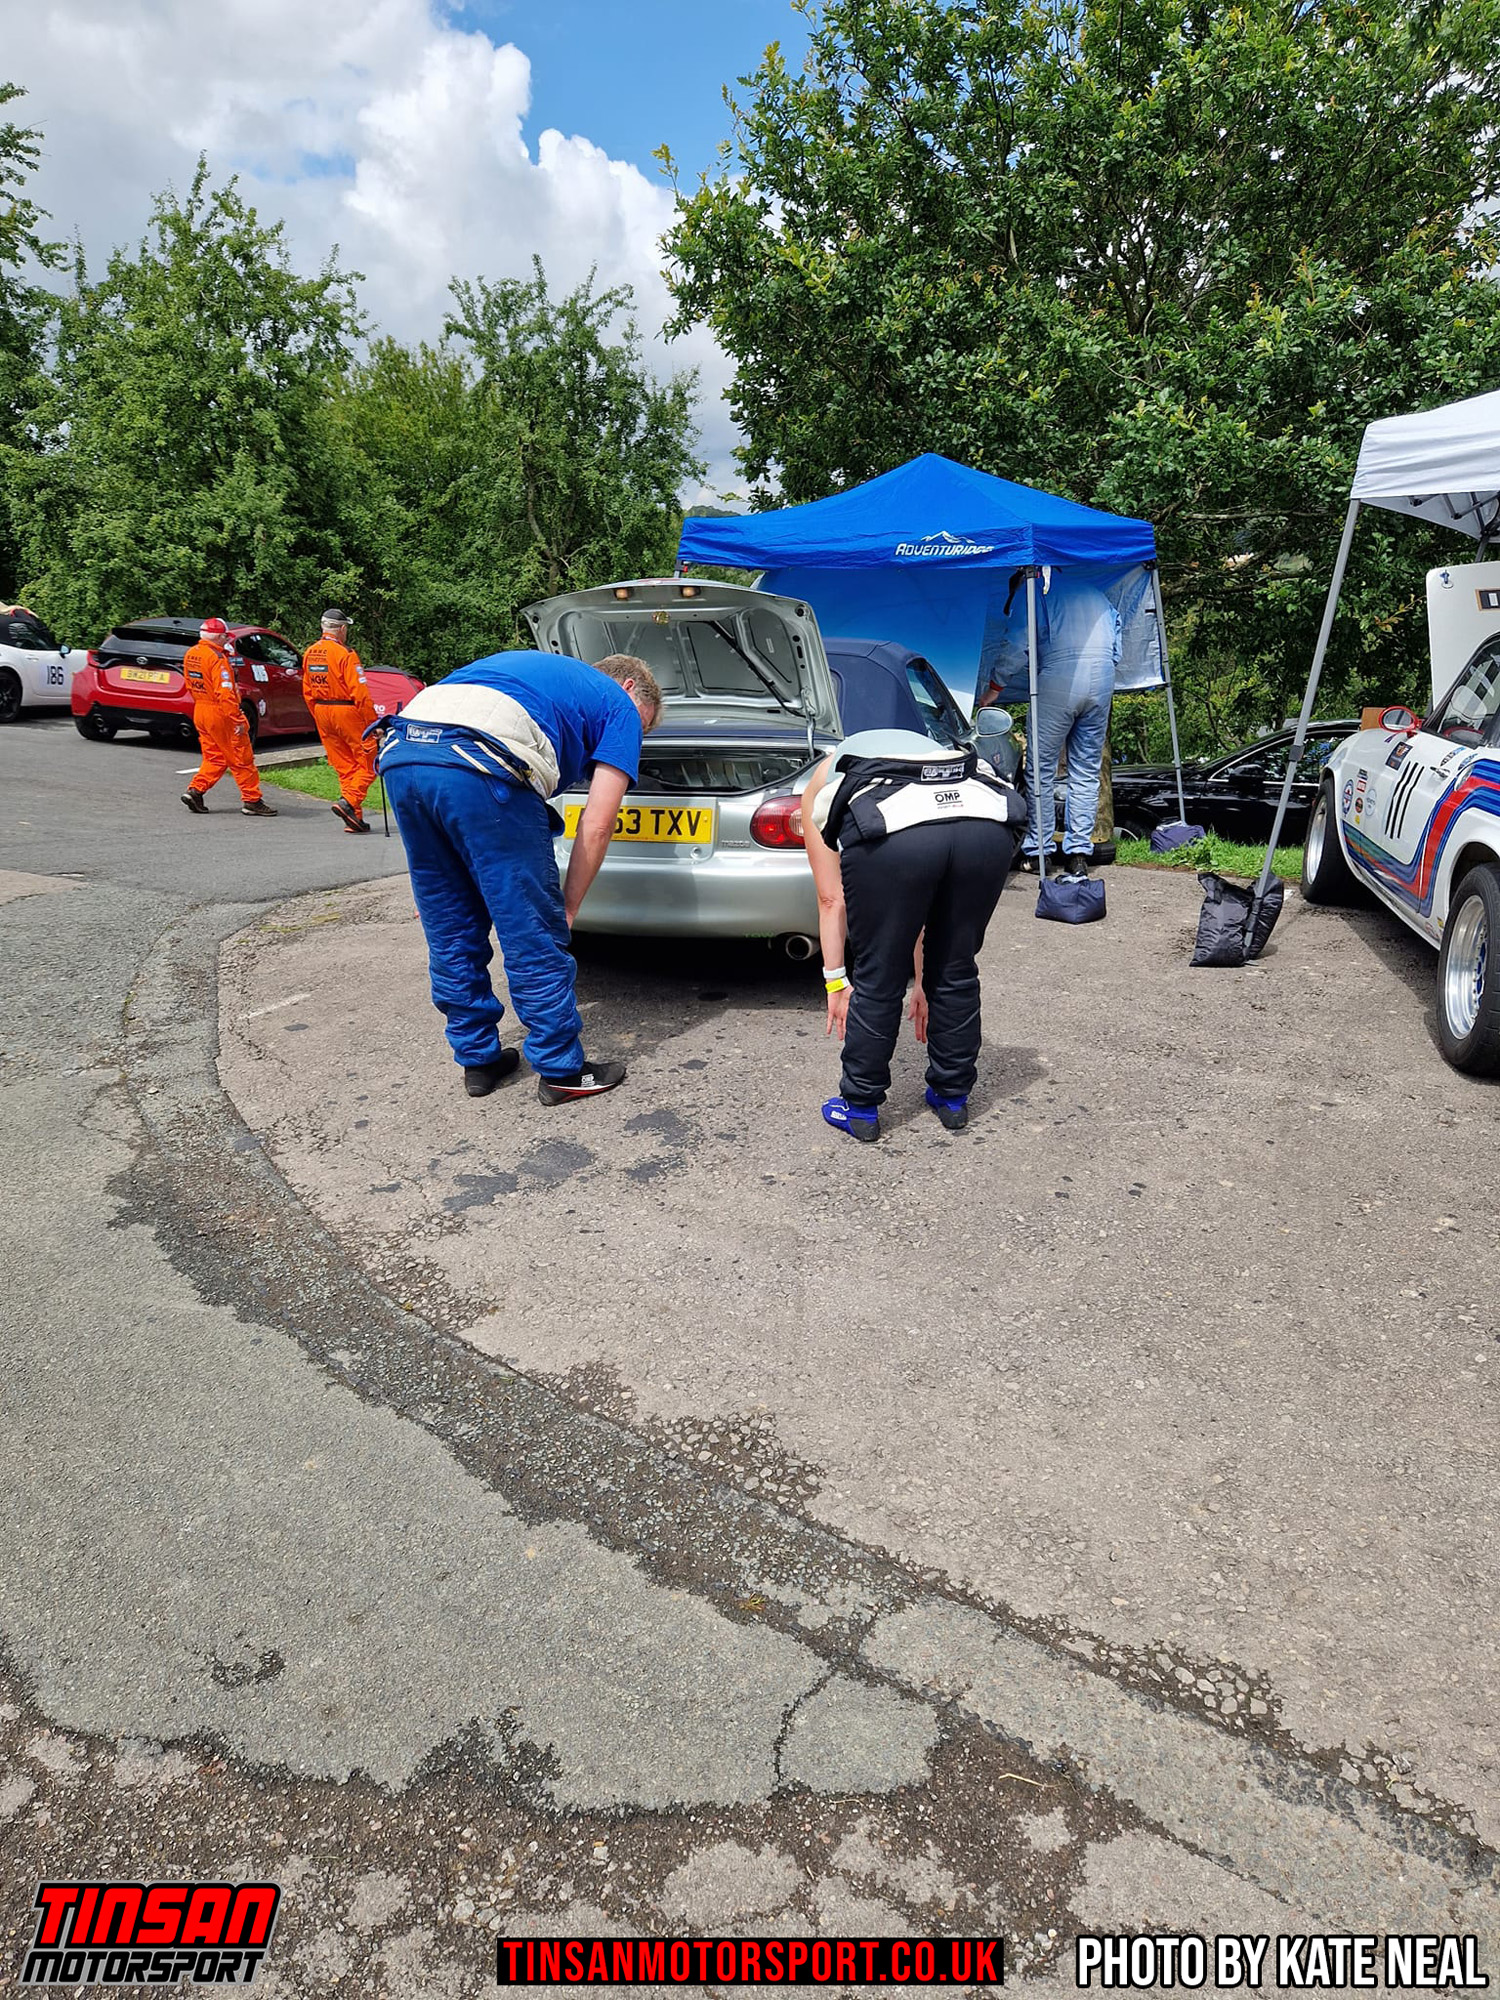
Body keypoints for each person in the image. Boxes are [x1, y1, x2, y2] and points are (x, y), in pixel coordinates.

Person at [376, 650, 662, 1102]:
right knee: (532, 932)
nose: (633, 739)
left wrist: (440, 882)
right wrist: (567, 907)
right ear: (628, 687)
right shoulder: (618, 704)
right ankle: (562, 1070)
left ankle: (479, 1060)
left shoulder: (533, 673)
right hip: (481, 763)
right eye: (643, 726)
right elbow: (598, 824)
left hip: (402, 754)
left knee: (450, 927)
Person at [800, 727, 1025, 1142]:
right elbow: (922, 912)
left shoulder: (823, 778)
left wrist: (836, 981)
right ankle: (952, 1098)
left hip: (898, 838)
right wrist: (922, 981)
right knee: (956, 966)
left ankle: (860, 1108)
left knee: (879, 974)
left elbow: (832, 900)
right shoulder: (930, 752)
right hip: (985, 826)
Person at [1012, 577, 1121, 879]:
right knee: (1085, 772)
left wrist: (995, 686)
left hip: (1059, 678)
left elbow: (1016, 643)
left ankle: (1039, 852)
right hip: (1102, 679)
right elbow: (1117, 643)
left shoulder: (1032, 590)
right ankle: (1079, 854)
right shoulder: (1096, 593)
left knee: (1041, 770)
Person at [179, 618, 277, 818]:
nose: (227, 640)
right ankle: (252, 800)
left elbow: (189, 683)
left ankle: (196, 791)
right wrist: (237, 718)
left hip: (201, 709)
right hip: (220, 712)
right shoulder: (217, 658)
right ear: (218, 637)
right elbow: (225, 693)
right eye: (225, 636)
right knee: (241, 757)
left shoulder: (192, 653)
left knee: (214, 756)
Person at [302, 609, 378, 832]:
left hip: (321, 710)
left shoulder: (310, 652)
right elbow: (360, 694)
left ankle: (353, 818)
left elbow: (307, 691)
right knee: (370, 762)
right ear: (343, 629)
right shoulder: (346, 654)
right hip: (346, 711)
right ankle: (349, 802)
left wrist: (318, 715)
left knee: (345, 766)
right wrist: (373, 724)